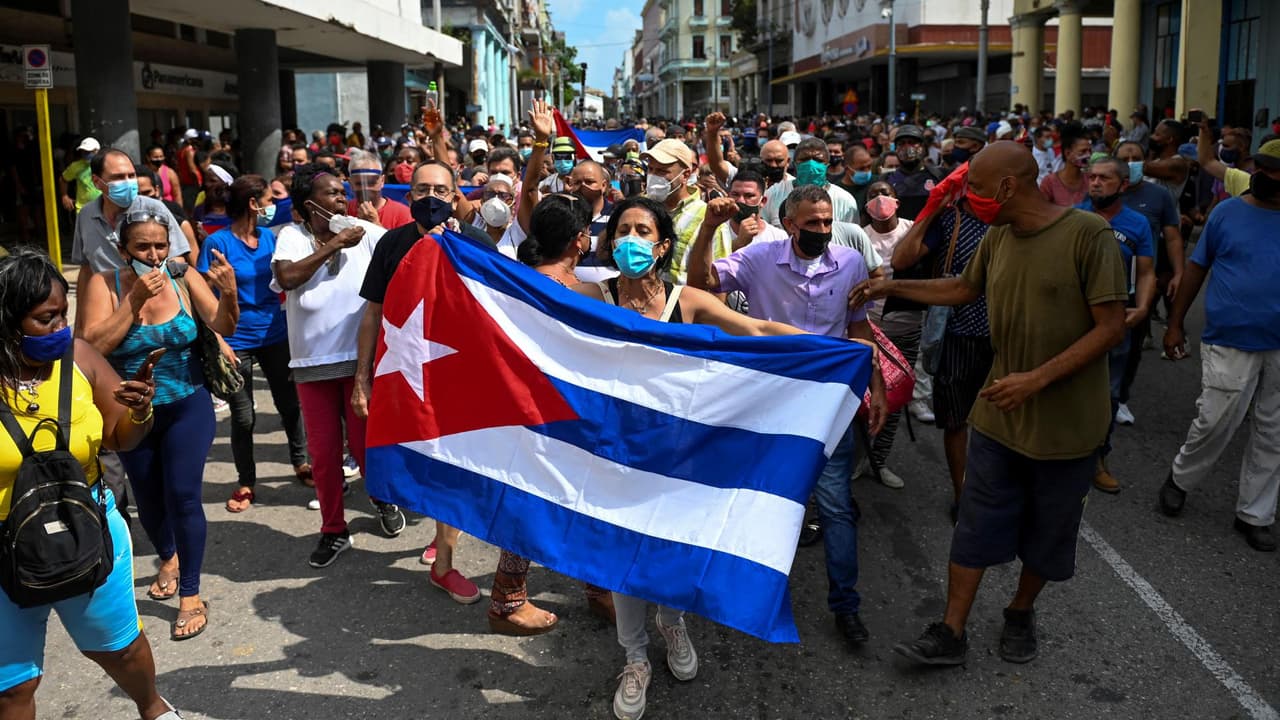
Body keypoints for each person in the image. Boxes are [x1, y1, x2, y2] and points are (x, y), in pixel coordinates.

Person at [855, 141, 1127, 667]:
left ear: (1006, 187)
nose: (970, 197)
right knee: (976, 523)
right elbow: (962, 288)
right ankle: (951, 631)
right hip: (1001, 416)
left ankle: (1020, 611)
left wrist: (1036, 380)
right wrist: (888, 286)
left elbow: (1111, 327)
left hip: (1068, 427)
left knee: (1048, 533)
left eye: (975, 188)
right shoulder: (1000, 237)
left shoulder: (1087, 234)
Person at [575, 195, 840, 720]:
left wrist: (835, 351)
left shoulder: (687, 300)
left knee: (674, 548)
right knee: (624, 554)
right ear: (610, 243)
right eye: (623, 230)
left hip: (681, 452)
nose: (631, 239)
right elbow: (521, 303)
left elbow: (760, 331)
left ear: (662, 244)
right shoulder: (590, 295)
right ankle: (634, 658)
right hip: (617, 449)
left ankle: (672, 623)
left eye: (642, 231)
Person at [687, 185, 888, 649]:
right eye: (811, 223)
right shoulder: (760, 258)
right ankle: (734, 590)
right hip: (768, 400)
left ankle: (846, 606)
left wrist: (874, 384)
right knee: (750, 498)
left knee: (836, 506)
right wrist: (711, 228)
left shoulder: (851, 263)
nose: (821, 230)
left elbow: (859, 329)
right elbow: (702, 284)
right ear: (789, 223)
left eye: (826, 222)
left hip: (828, 402)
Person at [0, 249, 182, 720]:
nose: (62, 327)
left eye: (64, 313)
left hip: (89, 534)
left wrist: (140, 409)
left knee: (120, 649)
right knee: (12, 687)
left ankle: (153, 706)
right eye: (45, 319)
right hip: (5, 554)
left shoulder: (79, 358)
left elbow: (122, 436)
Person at [77, 209, 239, 640]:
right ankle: (168, 554)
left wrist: (230, 295)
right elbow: (91, 346)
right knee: (148, 500)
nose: (153, 255)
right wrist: (132, 301)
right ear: (123, 250)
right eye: (143, 247)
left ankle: (191, 594)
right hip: (131, 411)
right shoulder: (102, 282)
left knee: (184, 495)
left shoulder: (183, 277)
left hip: (188, 402)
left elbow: (220, 323)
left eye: (160, 246)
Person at [354, 158, 486, 604]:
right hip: (404, 374)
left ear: (456, 196)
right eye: (422, 190)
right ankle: (434, 526)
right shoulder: (391, 243)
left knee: (453, 464)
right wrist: (361, 379)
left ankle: (444, 561)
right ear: (408, 197)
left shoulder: (476, 242)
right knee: (414, 458)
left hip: (459, 376)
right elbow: (372, 312)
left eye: (441, 190)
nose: (431, 198)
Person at [483, 196, 615, 636]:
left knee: (550, 500)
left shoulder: (516, 283)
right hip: (570, 414)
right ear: (580, 240)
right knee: (562, 502)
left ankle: (593, 588)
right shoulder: (586, 293)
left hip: (527, 410)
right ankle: (508, 601)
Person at [272, 165, 406, 565]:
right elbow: (289, 277)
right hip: (311, 365)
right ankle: (333, 530)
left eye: (341, 191)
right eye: (331, 194)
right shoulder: (291, 238)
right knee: (325, 455)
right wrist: (334, 244)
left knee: (367, 448)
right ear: (308, 204)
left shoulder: (363, 234)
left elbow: (407, 247)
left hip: (358, 363)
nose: (341, 200)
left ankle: (382, 500)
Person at [1160, 147, 1280, 552]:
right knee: (1216, 420)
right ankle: (1181, 478)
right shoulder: (1227, 213)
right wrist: (1175, 324)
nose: (1265, 175)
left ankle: (1255, 514)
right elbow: (1197, 268)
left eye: (1274, 171)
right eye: (1260, 168)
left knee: (1274, 432)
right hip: (1230, 337)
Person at [197, 175, 311, 512]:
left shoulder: (270, 239)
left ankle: (301, 462)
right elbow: (204, 297)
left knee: (290, 405)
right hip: (236, 340)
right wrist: (219, 341)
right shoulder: (217, 244)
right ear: (253, 203)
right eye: (268, 198)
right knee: (243, 417)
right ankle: (246, 481)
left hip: (275, 334)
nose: (273, 205)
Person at [1078, 158, 1156, 493]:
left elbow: (1147, 271)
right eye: (1092, 177)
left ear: (1123, 184)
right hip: (1072, 318)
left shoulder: (1137, 223)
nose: (1095, 183)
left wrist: (1142, 307)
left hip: (1115, 320)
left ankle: (1097, 457)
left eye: (1104, 178)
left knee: (1107, 393)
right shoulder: (1072, 216)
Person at [1113, 140, 1185, 425]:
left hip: (1142, 283)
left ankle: (1119, 399)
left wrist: (1179, 272)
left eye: (1137, 157)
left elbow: (1173, 236)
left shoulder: (1158, 196)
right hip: (1100, 283)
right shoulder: (1103, 193)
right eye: (1125, 157)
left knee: (1131, 346)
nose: (1131, 162)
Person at [641, 139, 707, 285]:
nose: (653, 176)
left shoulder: (706, 216)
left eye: (662, 171)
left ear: (685, 175)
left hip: (683, 304)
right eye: (651, 169)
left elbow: (718, 278)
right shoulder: (639, 208)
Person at [760, 138, 859, 227]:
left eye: (818, 160)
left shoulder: (845, 200)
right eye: (804, 160)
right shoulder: (773, 194)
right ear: (794, 164)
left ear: (827, 165)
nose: (811, 165)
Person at [886, 125, 946, 221]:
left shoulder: (939, 176)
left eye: (912, 143)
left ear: (922, 147)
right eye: (901, 143)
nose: (907, 148)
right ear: (895, 149)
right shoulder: (886, 180)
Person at [347, 149, 412, 229]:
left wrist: (375, 223)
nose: (366, 188)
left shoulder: (403, 214)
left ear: (382, 181)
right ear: (350, 183)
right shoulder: (345, 210)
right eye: (359, 183)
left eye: (372, 183)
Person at [1039, 126, 1092, 207]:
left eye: (1090, 151)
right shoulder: (1049, 182)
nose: (1088, 155)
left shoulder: (1091, 179)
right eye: (1083, 151)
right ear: (1067, 153)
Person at [60, 137, 102, 213]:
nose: (85, 154)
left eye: (88, 152)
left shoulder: (105, 164)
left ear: (97, 151)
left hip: (103, 209)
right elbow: (63, 179)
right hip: (83, 210)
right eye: (83, 152)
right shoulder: (76, 166)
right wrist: (64, 196)